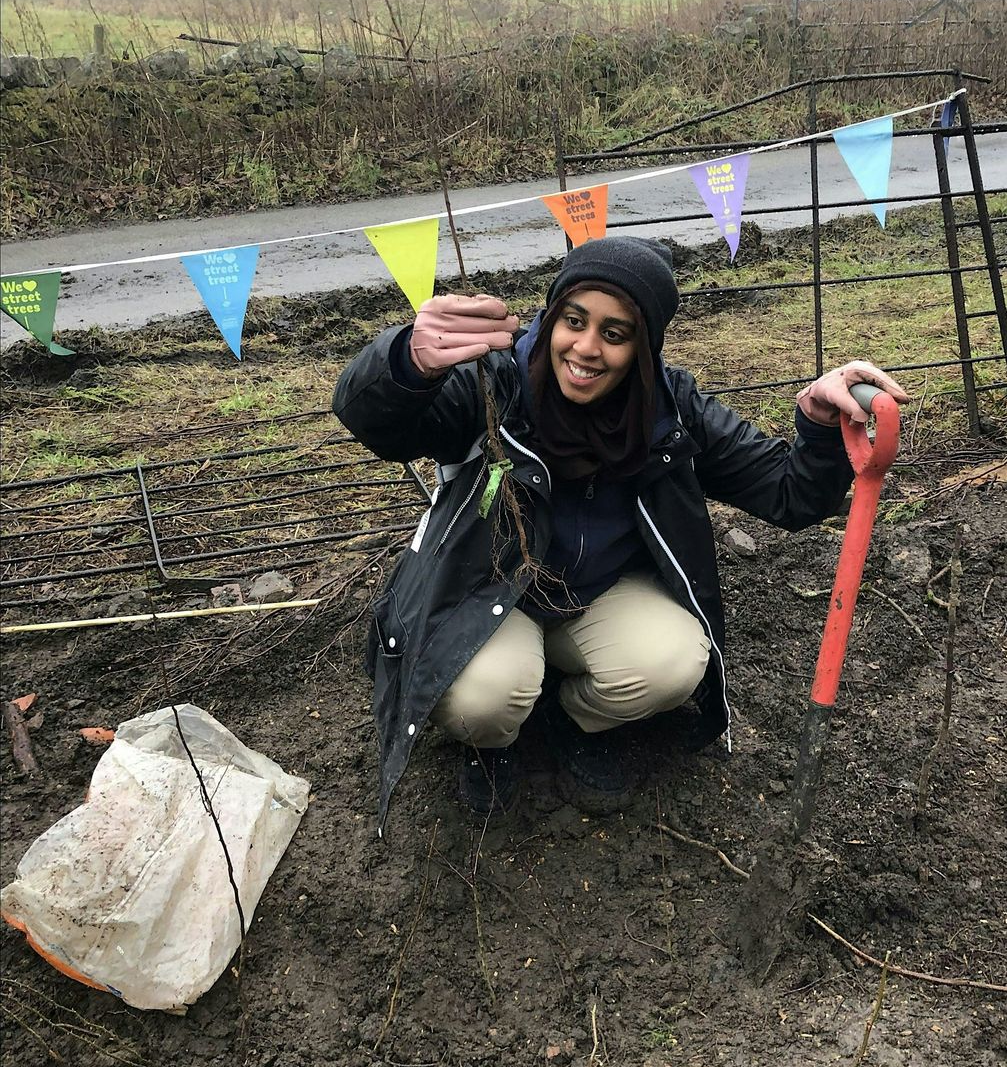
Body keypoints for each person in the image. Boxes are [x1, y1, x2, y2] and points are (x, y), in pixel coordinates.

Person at [333, 236, 907, 830]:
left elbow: (790, 495)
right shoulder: (494, 386)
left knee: (673, 663)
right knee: (486, 697)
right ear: (552, 316)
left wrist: (816, 422)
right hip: (489, 594)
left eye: (615, 333)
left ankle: (572, 719)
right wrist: (409, 361)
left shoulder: (670, 408)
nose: (586, 348)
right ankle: (493, 746)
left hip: (598, 592)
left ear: (643, 344)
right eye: (574, 322)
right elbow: (375, 423)